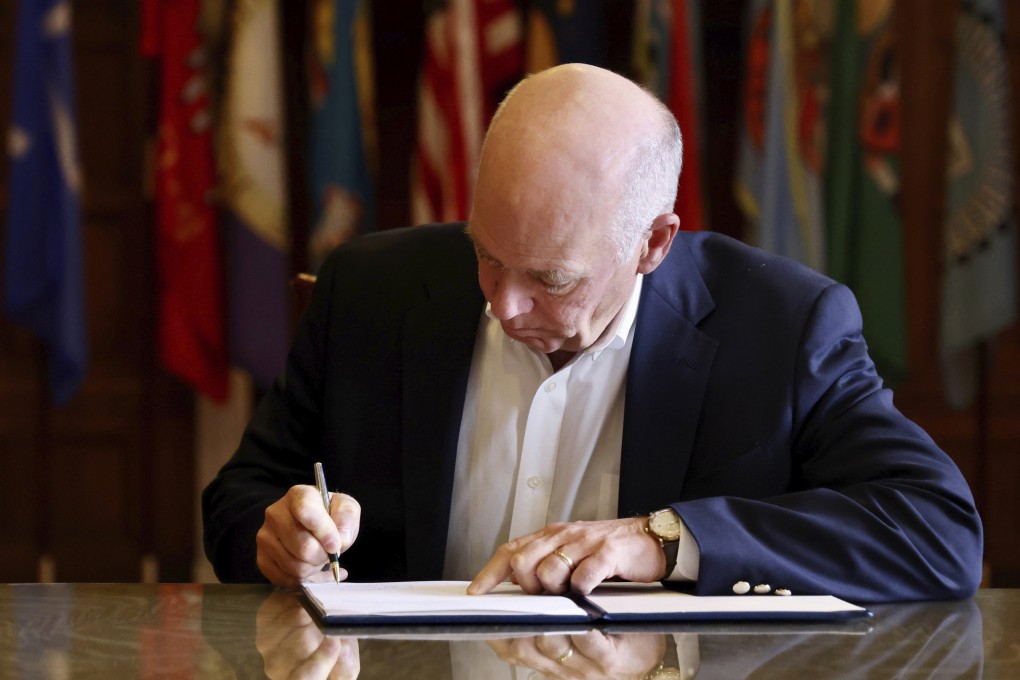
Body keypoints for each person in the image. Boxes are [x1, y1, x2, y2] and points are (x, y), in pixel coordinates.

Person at [202, 63, 982, 603]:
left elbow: (938, 531)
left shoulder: (780, 329)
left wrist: (666, 542)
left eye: (550, 279)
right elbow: (241, 497)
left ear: (653, 243)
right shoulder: (372, 290)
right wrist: (276, 539)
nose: (503, 307)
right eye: (485, 254)